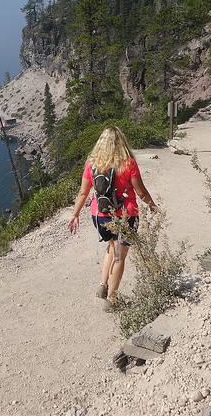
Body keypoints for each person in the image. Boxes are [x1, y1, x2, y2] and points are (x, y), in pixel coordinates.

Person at [67, 126, 157, 309]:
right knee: (119, 257)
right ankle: (112, 300)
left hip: (99, 215)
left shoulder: (92, 163)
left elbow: (83, 193)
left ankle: (103, 286)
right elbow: (140, 191)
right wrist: (152, 204)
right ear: (121, 142)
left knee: (111, 247)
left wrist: (75, 214)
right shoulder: (128, 163)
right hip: (125, 215)